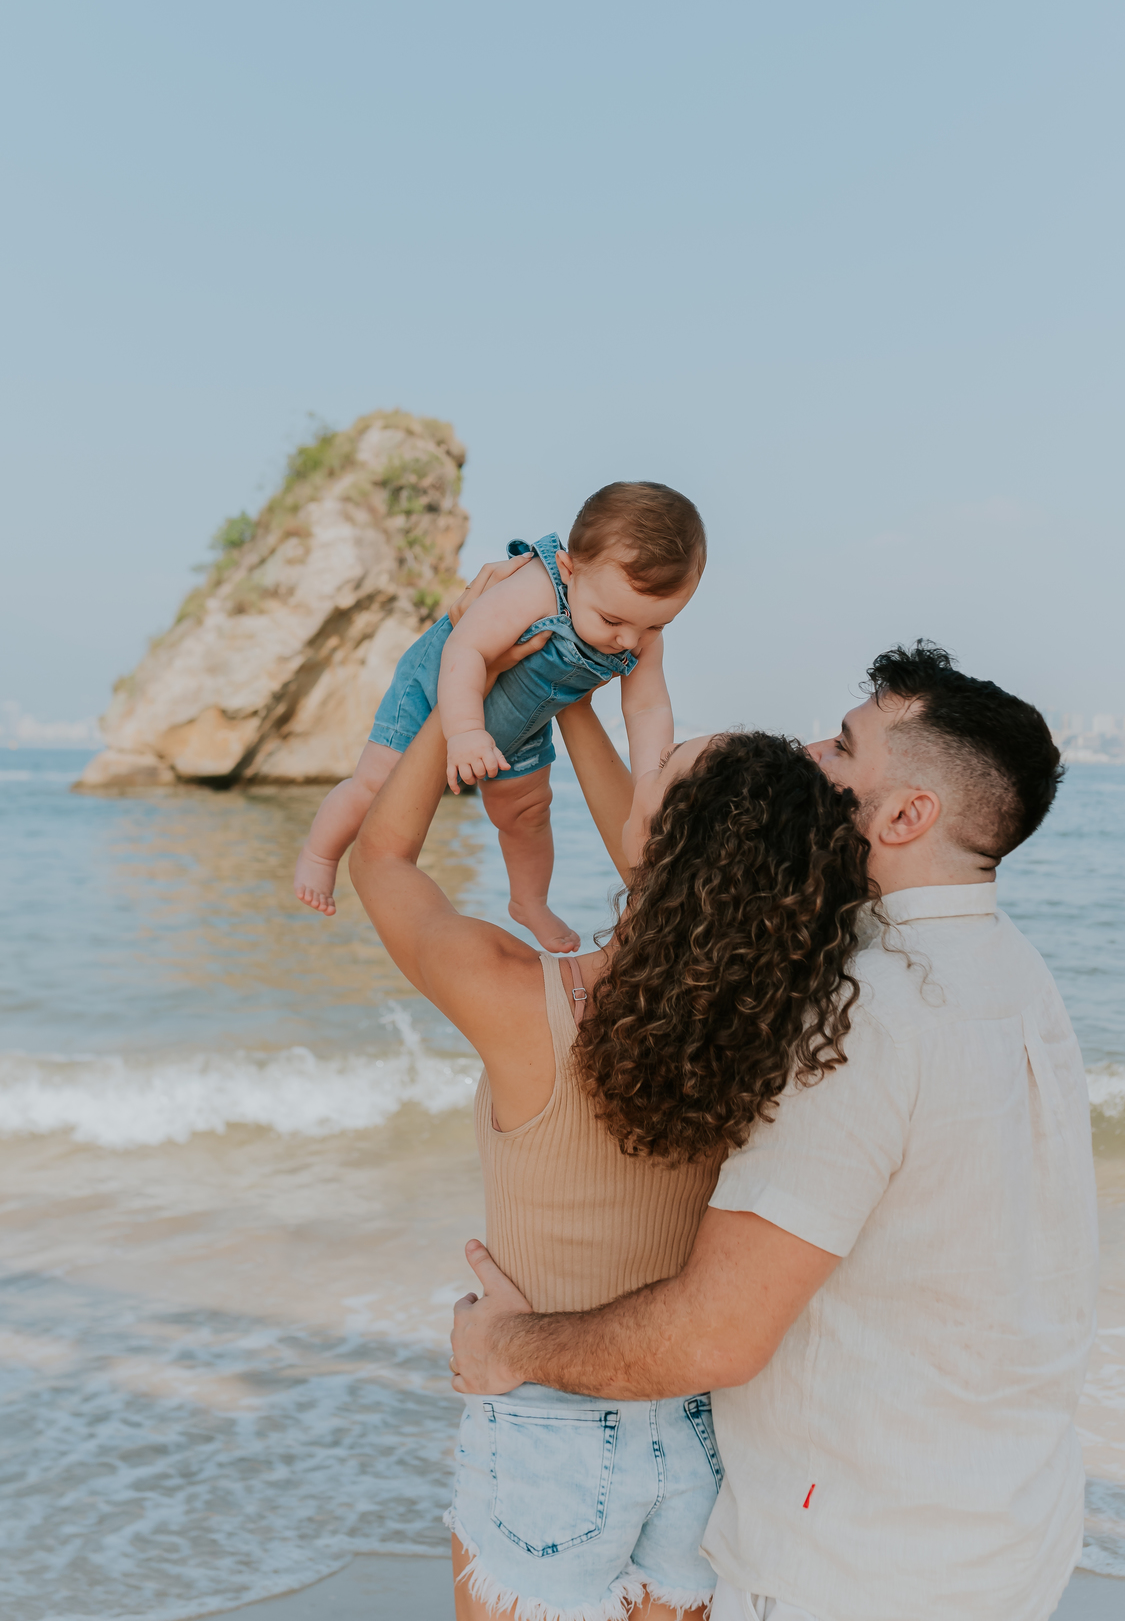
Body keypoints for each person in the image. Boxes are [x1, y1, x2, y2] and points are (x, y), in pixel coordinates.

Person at [450, 642, 1100, 1621]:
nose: (808, 754)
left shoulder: (868, 1017)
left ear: (906, 815)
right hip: (1006, 1533)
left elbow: (715, 1335)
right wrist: (572, 697)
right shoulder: (1009, 971)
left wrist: (511, 1347)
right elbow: (682, 873)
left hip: (857, 1573)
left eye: (841, 747)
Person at [347, 624, 869, 1621]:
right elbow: (679, 877)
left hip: (545, 1432)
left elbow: (379, 856)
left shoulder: (521, 999)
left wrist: (469, 686)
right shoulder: (774, 1024)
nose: (644, 769)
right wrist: (575, 702)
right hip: (700, 1438)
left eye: (660, 768)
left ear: (655, 842)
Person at [295, 480, 705, 952]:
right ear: (569, 571)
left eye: (656, 625)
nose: (630, 642)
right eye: (612, 621)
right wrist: (465, 731)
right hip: (440, 692)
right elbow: (466, 648)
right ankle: (319, 855)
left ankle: (528, 901)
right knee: (375, 787)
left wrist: (652, 781)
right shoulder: (534, 588)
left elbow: (647, 706)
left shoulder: (633, 624)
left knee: (528, 814)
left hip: (524, 721)